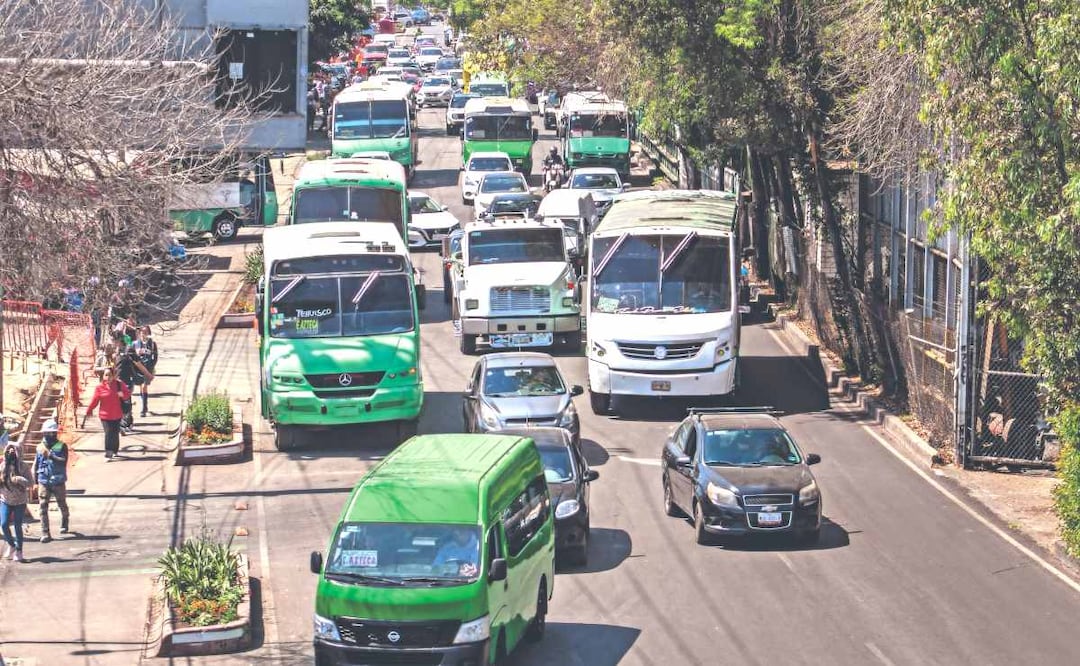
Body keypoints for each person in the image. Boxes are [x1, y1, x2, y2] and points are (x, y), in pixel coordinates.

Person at [34, 419, 70, 543]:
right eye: (47, 433)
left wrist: (51, 456)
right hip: (44, 480)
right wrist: (35, 482)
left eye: (52, 433)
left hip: (58, 480)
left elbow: (64, 461)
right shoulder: (39, 447)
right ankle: (45, 532)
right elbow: (36, 464)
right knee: (43, 507)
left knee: (62, 504)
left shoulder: (61, 446)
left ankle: (65, 520)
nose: (50, 435)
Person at [83, 368, 130, 460]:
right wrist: (89, 410)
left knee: (115, 433)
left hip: (117, 414)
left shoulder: (119, 384)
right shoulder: (99, 388)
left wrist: (122, 395)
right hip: (105, 415)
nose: (108, 377)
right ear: (103, 376)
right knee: (108, 433)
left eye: (110, 375)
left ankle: (115, 450)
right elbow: (95, 400)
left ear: (114, 376)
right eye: (106, 375)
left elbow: (127, 394)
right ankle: (108, 452)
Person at [1, 443, 32, 562]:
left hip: (20, 501)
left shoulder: (24, 467)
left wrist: (19, 479)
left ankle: (19, 550)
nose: (11, 453)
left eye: (13, 451)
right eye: (8, 451)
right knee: (3, 524)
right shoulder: (3, 466)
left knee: (17, 526)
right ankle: (11, 545)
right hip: (5, 500)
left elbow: (30, 482)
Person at [115, 346, 153, 432]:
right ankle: (127, 420)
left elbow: (114, 371)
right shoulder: (132, 357)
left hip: (119, 384)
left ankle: (125, 420)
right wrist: (149, 375)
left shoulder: (118, 357)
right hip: (127, 384)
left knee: (122, 402)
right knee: (126, 402)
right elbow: (141, 368)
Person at [131, 326, 158, 418]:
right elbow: (132, 356)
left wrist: (152, 365)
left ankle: (143, 408)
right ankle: (145, 405)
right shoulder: (135, 344)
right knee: (141, 387)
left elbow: (155, 357)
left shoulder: (152, 344)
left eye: (146, 332)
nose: (143, 334)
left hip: (148, 368)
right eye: (142, 332)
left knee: (144, 386)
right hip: (138, 368)